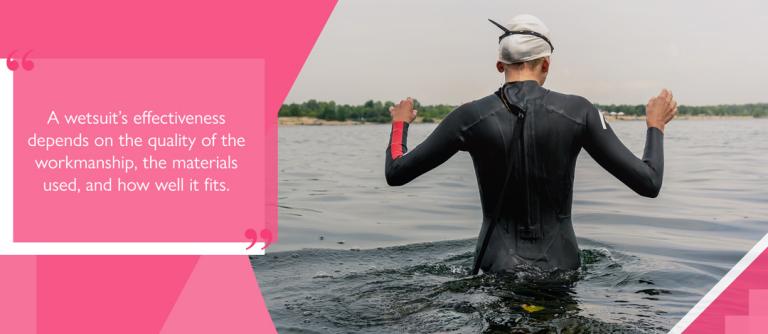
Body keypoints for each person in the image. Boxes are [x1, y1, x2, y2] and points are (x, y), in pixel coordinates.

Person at [384, 14, 677, 274]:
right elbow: (648, 182)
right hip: (562, 267)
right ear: (546, 63)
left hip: (495, 267)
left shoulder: (469, 116)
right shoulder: (579, 112)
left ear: (500, 64)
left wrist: (400, 123)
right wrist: (655, 126)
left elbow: (397, 172)